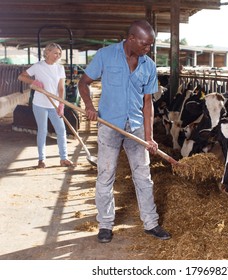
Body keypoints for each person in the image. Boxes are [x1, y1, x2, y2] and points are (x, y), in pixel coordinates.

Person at [78, 20, 171, 242]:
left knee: (143, 176)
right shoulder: (105, 55)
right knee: (106, 174)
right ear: (131, 39)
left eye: (151, 45)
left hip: (136, 127)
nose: (148, 49)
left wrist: (149, 137)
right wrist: (89, 107)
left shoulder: (148, 65)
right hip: (109, 125)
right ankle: (105, 224)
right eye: (145, 44)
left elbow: (148, 103)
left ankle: (151, 223)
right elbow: (84, 82)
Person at [18, 43, 74, 168]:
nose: (57, 56)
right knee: (42, 131)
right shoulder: (38, 66)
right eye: (55, 53)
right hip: (39, 104)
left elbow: (61, 88)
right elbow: (21, 76)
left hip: (54, 105)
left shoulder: (60, 68)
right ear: (47, 52)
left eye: (59, 54)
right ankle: (41, 159)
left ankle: (64, 158)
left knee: (61, 130)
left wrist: (61, 104)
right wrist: (34, 81)